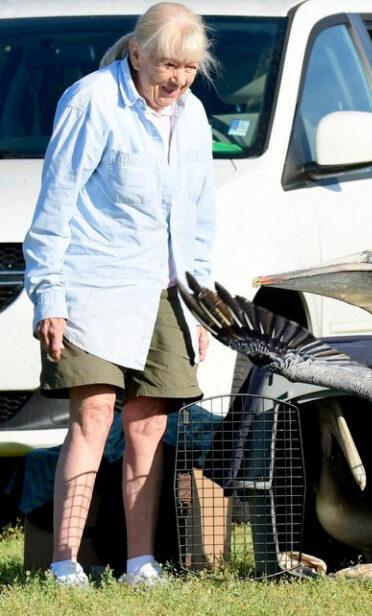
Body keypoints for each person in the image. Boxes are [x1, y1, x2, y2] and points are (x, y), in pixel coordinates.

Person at [22, 3, 216, 587]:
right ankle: (63, 563)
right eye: (168, 64)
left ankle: (140, 563)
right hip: (92, 283)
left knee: (148, 427)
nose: (177, 79)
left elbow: (199, 215)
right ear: (137, 53)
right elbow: (54, 206)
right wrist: (48, 294)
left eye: (188, 67)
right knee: (94, 414)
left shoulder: (194, 115)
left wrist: (200, 301)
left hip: (165, 291)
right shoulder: (91, 102)